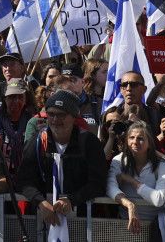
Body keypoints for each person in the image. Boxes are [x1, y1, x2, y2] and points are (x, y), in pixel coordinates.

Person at [17, 90, 108, 229]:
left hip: (82, 222)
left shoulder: (89, 142)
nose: (55, 119)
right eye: (51, 114)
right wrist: (40, 202)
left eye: (61, 115)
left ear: (73, 117)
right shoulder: (37, 142)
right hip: (43, 222)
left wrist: (72, 200)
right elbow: (24, 181)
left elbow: (98, 183)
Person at [107, 121, 165, 236]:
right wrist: (129, 204)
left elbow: (159, 199)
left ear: (150, 143)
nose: (135, 142)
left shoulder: (163, 164)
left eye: (140, 138)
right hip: (125, 224)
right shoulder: (118, 160)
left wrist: (133, 182)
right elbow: (110, 187)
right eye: (131, 137)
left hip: (155, 228)